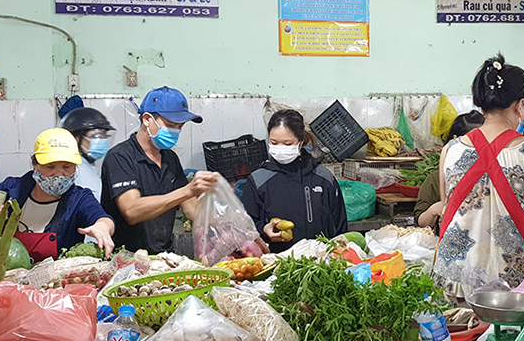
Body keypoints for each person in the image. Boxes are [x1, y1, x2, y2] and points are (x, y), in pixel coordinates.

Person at [431, 54, 524, 299]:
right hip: (507, 291)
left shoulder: (450, 150)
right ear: (521, 106)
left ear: (482, 104)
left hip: (451, 283)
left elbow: (448, 208)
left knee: (455, 326)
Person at [0, 128, 115, 259]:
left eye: (67, 167)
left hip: (57, 282)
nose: (58, 174)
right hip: (7, 278)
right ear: (35, 165)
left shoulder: (79, 199)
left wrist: (102, 227)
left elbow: (104, 219)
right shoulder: (8, 190)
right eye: (50, 167)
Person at [101, 86, 218, 253]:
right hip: (127, 258)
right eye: (170, 125)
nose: (176, 131)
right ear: (147, 119)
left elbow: (191, 209)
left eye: (180, 126)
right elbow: (132, 211)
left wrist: (226, 219)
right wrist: (187, 191)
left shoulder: (170, 158)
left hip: (163, 257)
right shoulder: (120, 157)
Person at [242, 109, 347, 251]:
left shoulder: (323, 177)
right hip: (277, 259)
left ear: (300, 142)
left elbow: (339, 224)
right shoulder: (258, 180)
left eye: (287, 143)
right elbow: (246, 225)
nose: (280, 149)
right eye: (274, 142)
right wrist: (264, 229)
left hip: (321, 258)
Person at [414, 111, 485, 231]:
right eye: (473, 141)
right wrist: (433, 210)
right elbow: (420, 221)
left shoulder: (491, 177)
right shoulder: (436, 179)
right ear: (455, 140)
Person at [61, 107, 115, 201]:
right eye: (97, 136)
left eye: (104, 136)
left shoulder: (89, 165)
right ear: (76, 138)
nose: (102, 140)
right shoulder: (72, 168)